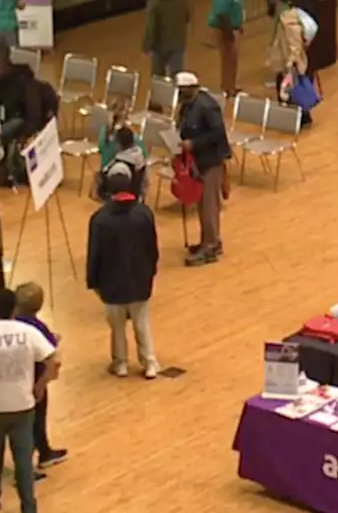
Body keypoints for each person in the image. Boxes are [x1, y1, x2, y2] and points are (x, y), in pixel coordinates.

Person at [0, 289, 60, 513]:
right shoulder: (29, 332)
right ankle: (28, 506)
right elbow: (55, 360)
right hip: (23, 406)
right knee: (23, 461)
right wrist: (40, 384)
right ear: (15, 308)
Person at [87, 168, 160, 379]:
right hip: (140, 279)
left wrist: (94, 281)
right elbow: (152, 249)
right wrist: (150, 273)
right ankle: (150, 363)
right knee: (142, 323)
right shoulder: (144, 214)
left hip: (111, 282)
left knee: (116, 326)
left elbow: (95, 254)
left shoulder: (100, 219)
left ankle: (120, 363)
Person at [174, 72, 230, 266]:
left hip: (211, 161)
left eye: (182, 90)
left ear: (191, 88)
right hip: (197, 162)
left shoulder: (207, 106)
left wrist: (194, 144)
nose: (180, 94)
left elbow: (218, 133)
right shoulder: (187, 105)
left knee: (209, 206)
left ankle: (211, 246)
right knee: (202, 204)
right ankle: (208, 240)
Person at [13, 283, 68, 469]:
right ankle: (41, 454)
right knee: (37, 418)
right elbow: (50, 351)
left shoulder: (10, 323)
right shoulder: (37, 327)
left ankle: (32, 455)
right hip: (35, 378)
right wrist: (42, 383)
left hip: (15, 378)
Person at [142, 0, 190, 77]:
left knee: (158, 77)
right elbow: (187, 18)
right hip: (178, 43)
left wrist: (146, 46)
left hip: (160, 46)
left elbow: (150, 28)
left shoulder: (154, 4)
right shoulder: (181, 1)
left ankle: (161, 94)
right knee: (177, 76)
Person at [207, 0, 244, 95]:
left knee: (232, 60)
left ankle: (231, 86)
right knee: (228, 59)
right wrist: (228, 33)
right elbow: (221, 14)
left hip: (233, 29)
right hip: (225, 30)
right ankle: (227, 88)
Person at [97, 128, 147, 200]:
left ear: (118, 144)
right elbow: (145, 183)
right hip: (136, 201)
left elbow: (114, 191)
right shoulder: (140, 157)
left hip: (121, 205)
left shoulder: (119, 167)